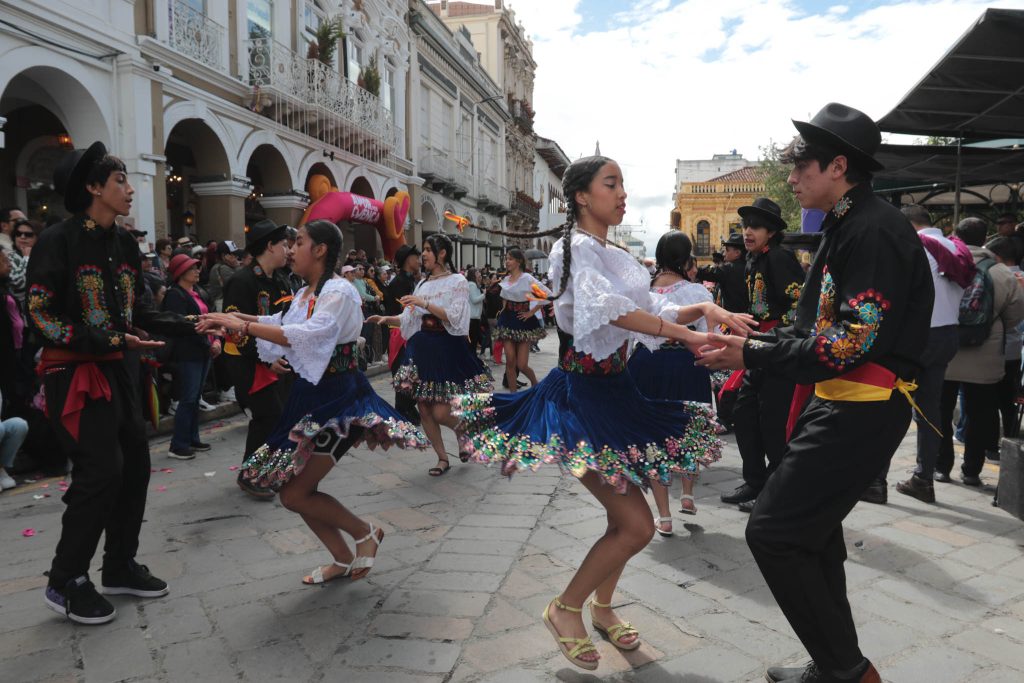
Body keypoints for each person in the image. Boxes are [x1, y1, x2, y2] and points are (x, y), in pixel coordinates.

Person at [454, 156, 751, 671]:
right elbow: (609, 311)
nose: (622, 194)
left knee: (625, 520)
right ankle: (565, 608)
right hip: (583, 401)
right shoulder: (574, 249)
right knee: (635, 525)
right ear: (582, 197)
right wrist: (689, 332)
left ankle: (603, 607)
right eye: (611, 184)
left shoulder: (611, 253)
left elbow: (650, 310)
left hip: (617, 395)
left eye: (622, 184)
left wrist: (704, 309)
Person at [697, 103, 933, 683]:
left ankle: (849, 672)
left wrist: (753, 353)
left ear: (838, 166)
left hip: (862, 404)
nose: (793, 174)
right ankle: (836, 665)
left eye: (802, 163)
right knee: (813, 536)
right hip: (838, 399)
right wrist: (756, 340)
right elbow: (815, 326)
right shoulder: (847, 225)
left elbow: (851, 341)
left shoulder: (873, 229)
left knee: (773, 532)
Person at [198, 221, 427, 584]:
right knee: (293, 491)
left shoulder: (338, 291)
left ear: (320, 250)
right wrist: (232, 320)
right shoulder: (307, 292)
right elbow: (279, 321)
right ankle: (342, 555)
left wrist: (241, 326)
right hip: (312, 399)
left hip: (339, 403)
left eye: (299, 242)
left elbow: (308, 334)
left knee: (294, 492)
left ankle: (365, 534)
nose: (291, 249)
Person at [29, 141, 199, 625]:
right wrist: (101, 337)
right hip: (74, 374)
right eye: (120, 180)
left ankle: (119, 564)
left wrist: (195, 325)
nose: (129, 189)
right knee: (100, 471)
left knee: (136, 467)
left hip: (120, 371)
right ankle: (65, 580)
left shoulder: (124, 243)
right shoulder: (56, 240)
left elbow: (139, 312)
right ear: (92, 187)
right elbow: (41, 315)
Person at [366, 233, 492, 477]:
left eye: (427, 250)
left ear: (442, 253)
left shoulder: (457, 281)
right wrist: (387, 320)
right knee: (424, 408)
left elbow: (454, 317)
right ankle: (442, 458)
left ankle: (464, 432)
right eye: (422, 250)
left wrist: (424, 303)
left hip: (446, 349)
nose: (422, 255)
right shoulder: (422, 284)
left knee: (442, 411)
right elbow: (410, 318)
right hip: (422, 348)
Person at [626, 231, 717, 534]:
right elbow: (708, 334)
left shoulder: (641, 292)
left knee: (654, 436)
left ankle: (663, 515)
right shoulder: (698, 293)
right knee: (689, 426)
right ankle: (688, 494)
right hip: (686, 363)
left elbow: (629, 337)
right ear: (686, 258)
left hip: (646, 364)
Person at [721, 198, 805, 513]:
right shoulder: (755, 259)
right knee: (744, 414)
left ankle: (774, 491)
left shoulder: (780, 259)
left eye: (754, 227)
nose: (747, 233)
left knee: (773, 423)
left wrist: (777, 336)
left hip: (778, 349)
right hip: (758, 346)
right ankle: (754, 481)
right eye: (744, 226)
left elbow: (800, 305)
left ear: (770, 232)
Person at [937, 219, 1024, 487]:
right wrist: (992, 325)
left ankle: (941, 467)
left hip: (945, 350)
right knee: (980, 414)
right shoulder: (1002, 272)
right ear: (985, 236)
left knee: (940, 411)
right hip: (985, 351)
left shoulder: (943, 265)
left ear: (957, 235)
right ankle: (972, 471)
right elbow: (1016, 314)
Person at [886, 205, 964, 503]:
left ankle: (876, 481)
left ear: (907, 225)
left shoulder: (914, 246)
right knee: (930, 409)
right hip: (948, 334)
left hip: (916, 337)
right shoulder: (953, 247)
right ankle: (924, 478)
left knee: (891, 407)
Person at [221, 219, 294, 500]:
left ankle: (266, 470)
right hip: (248, 361)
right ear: (269, 246)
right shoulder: (241, 281)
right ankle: (250, 474)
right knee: (267, 416)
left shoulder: (279, 280)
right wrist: (266, 360)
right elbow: (234, 328)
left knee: (277, 417)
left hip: (275, 361)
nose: (288, 251)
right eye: (284, 245)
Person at [161, 253, 221, 459]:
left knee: (195, 398)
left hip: (204, 349)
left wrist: (217, 340)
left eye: (197, 267)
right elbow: (181, 326)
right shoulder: (174, 295)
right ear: (180, 273)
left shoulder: (199, 292)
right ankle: (178, 444)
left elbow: (211, 316)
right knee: (188, 398)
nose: (197, 271)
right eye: (192, 268)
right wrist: (207, 342)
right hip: (189, 352)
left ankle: (192, 438)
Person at [494, 248, 550, 391]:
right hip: (507, 320)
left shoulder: (527, 279)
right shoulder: (506, 279)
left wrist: (531, 312)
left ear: (518, 262)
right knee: (510, 361)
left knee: (522, 365)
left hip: (523, 321)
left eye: (510, 259)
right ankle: (513, 396)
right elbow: (504, 298)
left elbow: (546, 295)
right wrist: (502, 310)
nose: (507, 261)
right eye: (506, 258)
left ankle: (536, 384)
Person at [985, 236, 1024, 440]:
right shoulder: (1021, 276)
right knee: (1010, 401)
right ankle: (1011, 438)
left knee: (990, 400)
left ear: (997, 256)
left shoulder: (994, 278)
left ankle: (991, 444)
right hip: (1016, 352)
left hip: (994, 349)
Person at [383, 244, 421, 425]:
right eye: (416, 257)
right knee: (402, 373)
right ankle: (402, 411)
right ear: (408, 260)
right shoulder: (399, 283)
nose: (419, 261)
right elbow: (405, 312)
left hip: (410, 332)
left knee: (412, 373)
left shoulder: (411, 281)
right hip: (400, 333)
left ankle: (407, 408)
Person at [696, 233, 748, 314]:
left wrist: (691, 267)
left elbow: (707, 272)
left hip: (733, 319)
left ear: (737, 253)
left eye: (727, 250)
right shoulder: (751, 266)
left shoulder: (728, 269)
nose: (724, 254)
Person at [206, 240, 243, 311]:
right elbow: (238, 284)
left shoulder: (224, 266)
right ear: (224, 256)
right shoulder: (222, 268)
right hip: (222, 304)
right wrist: (237, 266)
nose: (236, 257)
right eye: (233, 254)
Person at [466, 267, 486, 356]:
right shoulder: (471, 285)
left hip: (475, 317)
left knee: (474, 341)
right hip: (472, 318)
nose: (480, 275)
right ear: (473, 275)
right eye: (478, 273)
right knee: (473, 341)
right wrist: (484, 294)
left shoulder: (474, 285)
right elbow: (474, 299)